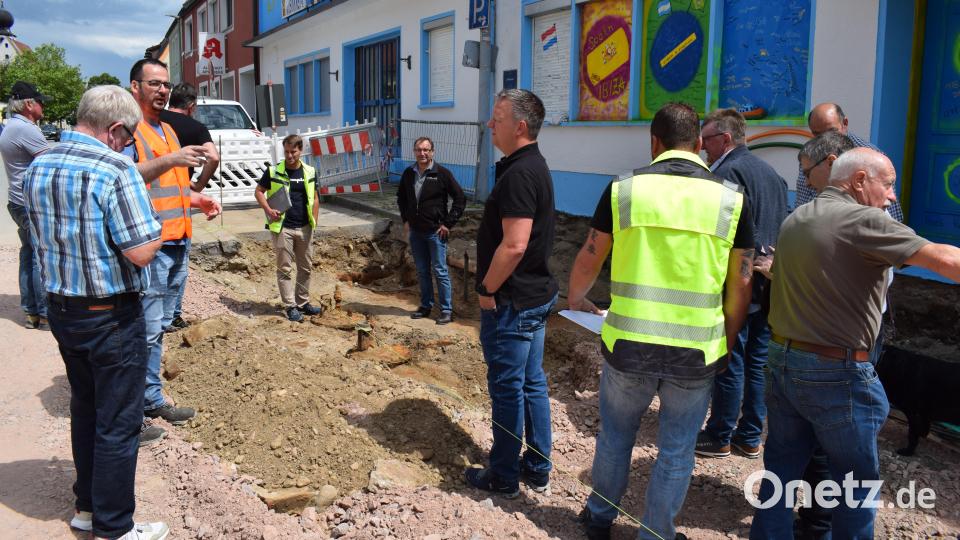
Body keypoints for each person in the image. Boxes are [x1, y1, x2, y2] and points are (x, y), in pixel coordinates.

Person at [750, 147, 960, 539]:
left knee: (779, 474)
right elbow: (945, 259)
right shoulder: (864, 220)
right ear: (860, 181)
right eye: (889, 185)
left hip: (783, 361)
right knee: (854, 488)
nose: (892, 196)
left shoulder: (799, 216)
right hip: (835, 371)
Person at [568, 102, 755, 540]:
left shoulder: (624, 189)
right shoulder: (730, 198)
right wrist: (727, 340)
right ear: (699, 145)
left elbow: (591, 254)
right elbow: (741, 282)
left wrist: (577, 298)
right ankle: (656, 534)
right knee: (676, 450)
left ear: (654, 142)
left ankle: (599, 518)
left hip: (629, 345)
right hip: (696, 351)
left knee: (616, 437)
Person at [23, 85, 169, 540]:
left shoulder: (39, 164)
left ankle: (86, 508)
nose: (128, 146)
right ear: (116, 130)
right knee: (119, 423)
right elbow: (142, 251)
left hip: (65, 312)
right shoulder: (115, 170)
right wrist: (159, 224)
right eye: (128, 139)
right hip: (111, 316)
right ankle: (114, 527)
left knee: (86, 409)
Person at [464, 89, 558, 498]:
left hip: (512, 302)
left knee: (507, 386)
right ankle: (537, 466)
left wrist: (487, 289)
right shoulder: (529, 165)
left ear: (519, 126)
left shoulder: (520, 173)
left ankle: (503, 474)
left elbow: (515, 244)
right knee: (531, 382)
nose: (489, 124)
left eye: (496, 118)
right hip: (533, 297)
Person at [126, 59, 221, 440]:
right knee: (144, 330)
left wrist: (196, 199)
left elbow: (173, 186)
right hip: (152, 245)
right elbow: (126, 178)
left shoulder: (166, 129)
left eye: (166, 85)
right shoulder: (128, 130)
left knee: (159, 328)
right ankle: (133, 412)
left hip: (178, 239)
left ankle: (151, 398)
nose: (162, 91)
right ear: (135, 87)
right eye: (154, 84)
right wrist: (172, 159)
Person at [695, 108, 787, 460]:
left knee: (730, 355)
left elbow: (722, 231)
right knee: (758, 360)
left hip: (738, 280)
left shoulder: (727, 173)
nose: (702, 147)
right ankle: (749, 435)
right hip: (769, 282)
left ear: (726, 139)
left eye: (708, 139)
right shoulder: (771, 174)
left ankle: (719, 433)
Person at [159, 82, 222, 331]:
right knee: (177, 265)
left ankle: (160, 317)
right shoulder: (195, 127)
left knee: (157, 265)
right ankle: (171, 317)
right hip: (179, 201)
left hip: (152, 201)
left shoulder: (155, 123)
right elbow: (214, 157)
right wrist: (197, 184)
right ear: (191, 106)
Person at [396, 136, 466, 325]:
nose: (422, 153)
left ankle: (446, 310)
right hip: (416, 233)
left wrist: (447, 224)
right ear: (414, 152)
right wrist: (406, 220)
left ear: (432, 152)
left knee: (440, 271)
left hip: (435, 232)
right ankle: (426, 306)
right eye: (419, 150)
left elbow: (460, 199)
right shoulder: (409, 173)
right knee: (422, 271)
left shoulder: (442, 173)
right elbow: (401, 198)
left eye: (426, 150)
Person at [795, 103, 903, 223]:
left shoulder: (872, 158)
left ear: (845, 123)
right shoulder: (810, 155)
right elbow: (802, 201)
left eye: (831, 131)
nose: (824, 138)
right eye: (816, 134)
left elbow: (892, 217)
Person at [254, 134, 322, 322]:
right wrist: (268, 209)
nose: (290, 155)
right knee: (285, 268)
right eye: (286, 152)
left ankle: (303, 302)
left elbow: (315, 197)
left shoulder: (309, 171)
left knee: (306, 267)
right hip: (283, 227)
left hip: (305, 227)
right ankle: (290, 306)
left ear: (301, 151)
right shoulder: (274, 171)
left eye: (293, 151)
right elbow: (258, 191)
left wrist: (314, 221)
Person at [0, 81, 51, 329]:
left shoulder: (11, 126)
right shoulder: (28, 130)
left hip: (16, 200)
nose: (43, 106)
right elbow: (46, 166)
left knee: (28, 252)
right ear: (29, 104)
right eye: (40, 101)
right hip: (30, 202)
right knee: (39, 256)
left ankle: (30, 310)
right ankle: (43, 312)